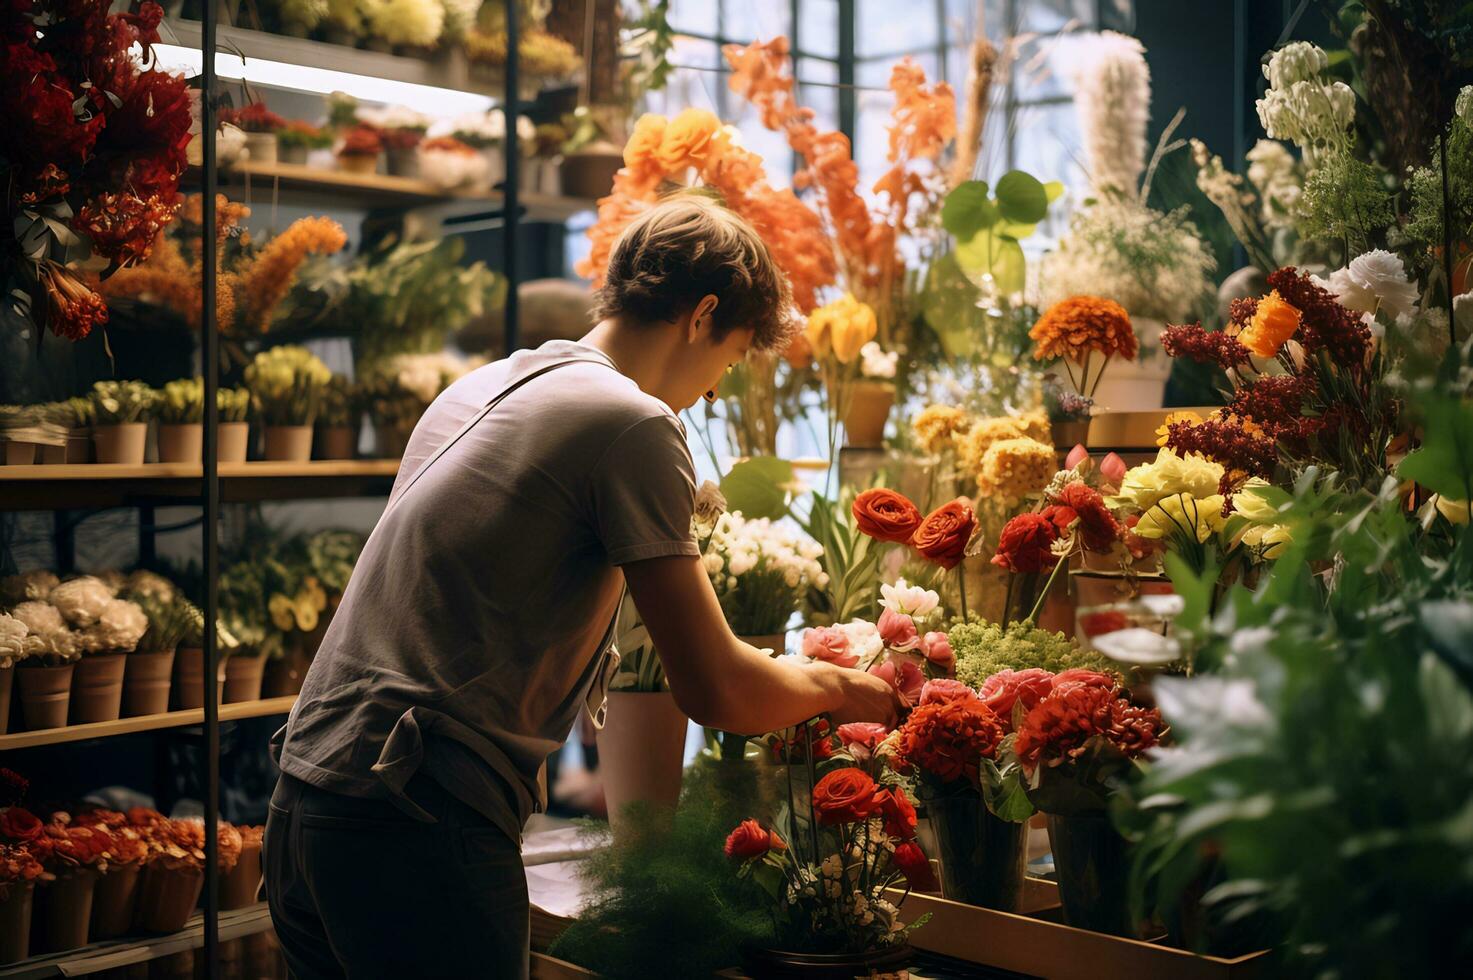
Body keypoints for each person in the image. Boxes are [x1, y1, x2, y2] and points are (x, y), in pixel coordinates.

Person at [262, 195, 905, 979]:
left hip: (305, 799)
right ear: (701, 316)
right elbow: (716, 688)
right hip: (414, 814)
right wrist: (837, 685)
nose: (708, 395)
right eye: (729, 362)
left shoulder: (482, 387)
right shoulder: (631, 422)